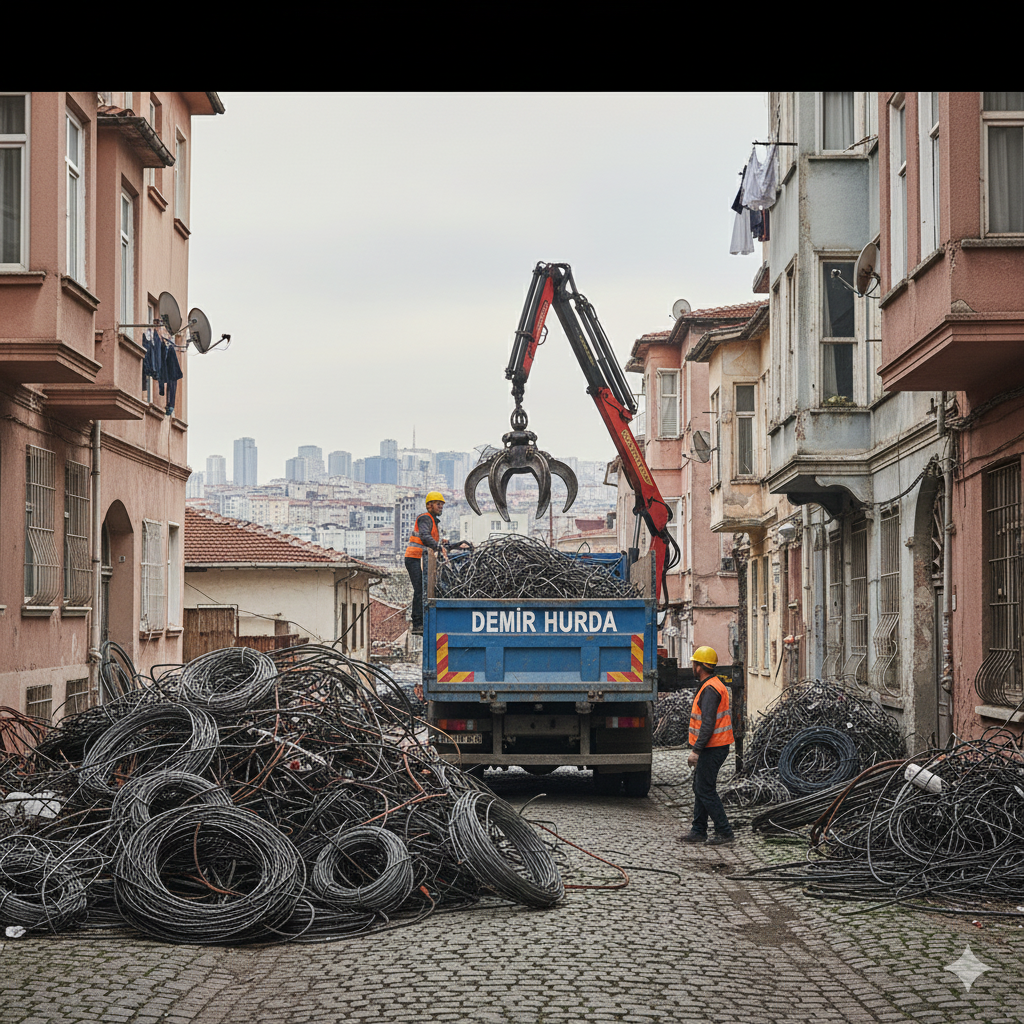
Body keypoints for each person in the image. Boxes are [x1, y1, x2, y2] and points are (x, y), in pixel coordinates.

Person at [679, 646, 735, 845]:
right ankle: (698, 830)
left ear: (700, 666)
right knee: (700, 787)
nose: (692, 666)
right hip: (714, 746)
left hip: (713, 747)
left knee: (705, 789)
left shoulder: (710, 689)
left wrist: (696, 751)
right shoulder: (712, 685)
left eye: (694, 663)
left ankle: (725, 832)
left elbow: (708, 723)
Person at [404, 492, 468, 636]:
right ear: (429, 505)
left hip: (421, 559)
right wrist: (439, 547)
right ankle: (418, 623)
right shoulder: (425, 518)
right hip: (415, 558)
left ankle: (422, 620)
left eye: (442, 505)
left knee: (425, 589)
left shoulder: (433, 522)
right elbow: (425, 537)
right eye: (438, 504)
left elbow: (436, 544)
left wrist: (457, 546)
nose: (441, 507)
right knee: (420, 589)